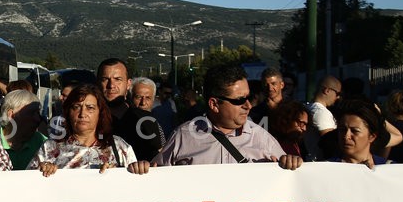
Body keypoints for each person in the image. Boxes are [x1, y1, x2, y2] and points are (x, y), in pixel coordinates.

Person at [153, 63, 303, 169]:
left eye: (248, 98)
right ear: (214, 104)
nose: (248, 105)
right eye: (239, 100)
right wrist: (142, 170)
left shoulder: (263, 139)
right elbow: (155, 180)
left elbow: (288, 186)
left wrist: (290, 164)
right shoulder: (183, 137)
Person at [30, 83, 147, 175]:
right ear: (68, 112)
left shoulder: (119, 147)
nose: (82, 114)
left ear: (99, 113)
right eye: (76, 107)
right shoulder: (49, 148)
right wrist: (42, 171)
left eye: (90, 108)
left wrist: (137, 169)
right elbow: (26, 186)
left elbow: (134, 186)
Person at [95, 58, 165, 161]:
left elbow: (159, 158)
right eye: (105, 79)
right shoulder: (89, 119)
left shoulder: (145, 120)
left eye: (118, 79)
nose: (111, 85)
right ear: (97, 83)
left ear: (128, 84)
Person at [329, 99, 390, 168]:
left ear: (372, 137)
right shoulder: (325, 169)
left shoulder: (390, 169)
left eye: (354, 131)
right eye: (342, 130)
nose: (346, 136)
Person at [0, 89, 47, 170]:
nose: (38, 119)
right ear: (11, 115)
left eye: (38, 113)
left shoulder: (41, 141)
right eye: (32, 113)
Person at [306, 75, 342, 160]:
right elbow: (330, 143)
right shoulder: (321, 112)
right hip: (322, 164)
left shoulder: (311, 108)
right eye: (337, 93)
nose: (338, 97)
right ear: (327, 90)